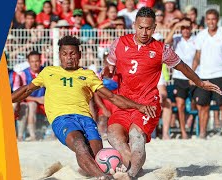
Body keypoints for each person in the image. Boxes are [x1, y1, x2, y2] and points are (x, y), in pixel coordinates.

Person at [12, 36, 157, 179]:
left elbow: (112, 97)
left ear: (79, 55)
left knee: (97, 157)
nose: (69, 57)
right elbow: (26, 90)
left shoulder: (87, 74)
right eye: (64, 54)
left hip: (86, 120)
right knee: (80, 144)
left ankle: (101, 172)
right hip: (63, 119)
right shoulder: (48, 72)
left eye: (72, 53)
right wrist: (5, 101)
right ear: (59, 55)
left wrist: (139, 106)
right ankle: (103, 177)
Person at [103, 7, 221, 179]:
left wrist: (200, 82)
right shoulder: (119, 43)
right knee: (113, 136)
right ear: (134, 25)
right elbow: (109, 68)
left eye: (149, 28)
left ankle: (130, 174)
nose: (144, 32)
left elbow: (183, 67)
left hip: (147, 103)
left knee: (136, 136)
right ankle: (135, 168)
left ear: (155, 27)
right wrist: (107, 74)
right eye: (141, 27)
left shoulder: (161, 49)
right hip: (124, 103)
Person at [192, 9, 222, 138]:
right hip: (204, 76)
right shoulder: (201, 35)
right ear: (205, 20)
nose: (211, 22)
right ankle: (203, 134)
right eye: (208, 19)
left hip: (220, 74)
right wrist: (192, 74)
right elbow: (197, 57)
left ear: (218, 20)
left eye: (213, 19)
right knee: (203, 106)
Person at [164, 18, 196, 139]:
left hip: (194, 76)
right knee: (180, 104)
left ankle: (193, 126)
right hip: (179, 77)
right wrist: (176, 25)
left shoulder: (196, 40)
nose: (185, 30)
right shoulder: (177, 39)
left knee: (196, 103)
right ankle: (183, 131)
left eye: (187, 27)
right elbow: (166, 43)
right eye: (183, 28)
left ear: (192, 28)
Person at [18, 51, 45, 141]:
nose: (35, 64)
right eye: (32, 61)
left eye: (37, 61)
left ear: (40, 61)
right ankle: (22, 136)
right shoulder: (23, 74)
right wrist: (37, 99)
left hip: (42, 102)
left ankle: (32, 135)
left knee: (32, 105)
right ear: (28, 62)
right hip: (27, 102)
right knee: (29, 105)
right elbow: (20, 94)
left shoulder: (45, 72)